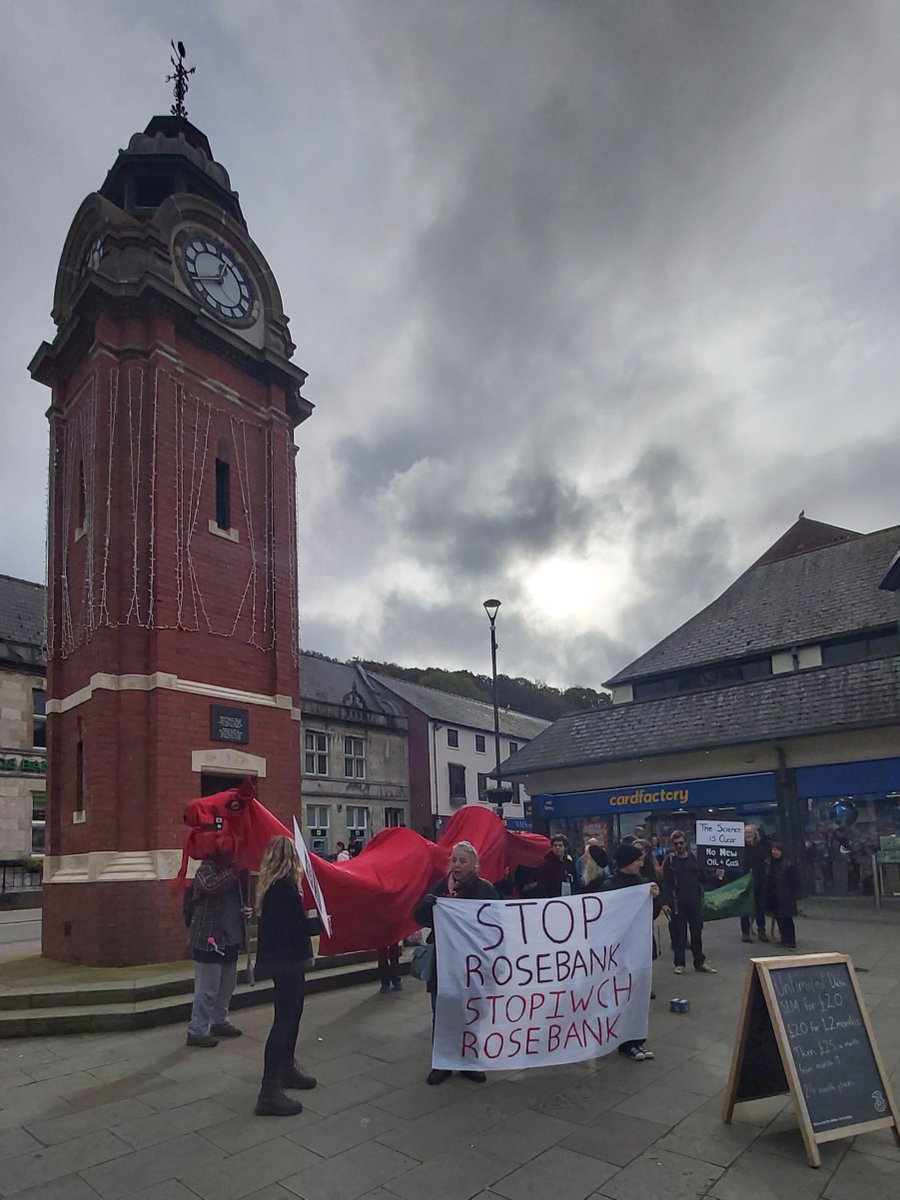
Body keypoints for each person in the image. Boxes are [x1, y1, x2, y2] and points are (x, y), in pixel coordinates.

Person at [413, 840, 498, 1085]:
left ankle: (470, 1062)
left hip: (472, 965)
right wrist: (426, 906)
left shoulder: (485, 889)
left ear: (474, 865)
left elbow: (495, 925)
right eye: (454, 860)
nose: (457, 865)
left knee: (470, 1014)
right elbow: (418, 917)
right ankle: (443, 1063)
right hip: (444, 963)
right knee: (442, 1014)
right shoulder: (440, 887)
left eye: (463, 861)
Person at [253, 836, 318, 1116]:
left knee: (291, 1014)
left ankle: (285, 1068)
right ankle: (269, 1090)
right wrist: (321, 924)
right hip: (287, 962)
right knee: (284, 1020)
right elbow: (295, 928)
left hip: (283, 962)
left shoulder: (275, 886)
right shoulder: (284, 889)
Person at [185, 839, 251, 1048]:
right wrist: (234, 871)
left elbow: (243, 900)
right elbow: (211, 887)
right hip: (209, 939)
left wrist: (248, 910)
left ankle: (219, 1021)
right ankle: (197, 1029)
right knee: (207, 988)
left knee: (226, 986)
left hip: (230, 937)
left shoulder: (236, 875)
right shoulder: (206, 870)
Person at [598, 844, 661, 1061]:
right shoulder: (610, 885)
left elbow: (652, 914)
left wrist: (656, 896)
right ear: (627, 862)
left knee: (639, 994)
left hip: (640, 948)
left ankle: (637, 1040)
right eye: (637, 860)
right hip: (621, 949)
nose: (641, 864)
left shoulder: (643, 884)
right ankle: (624, 1041)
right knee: (622, 994)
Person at [662, 830, 722, 975]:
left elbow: (703, 878)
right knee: (680, 934)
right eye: (676, 844)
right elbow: (665, 884)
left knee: (696, 932)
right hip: (677, 902)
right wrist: (665, 903)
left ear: (686, 843)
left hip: (694, 900)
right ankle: (679, 963)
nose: (679, 846)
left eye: (681, 843)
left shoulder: (695, 858)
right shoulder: (669, 861)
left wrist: (716, 875)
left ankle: (699, 962)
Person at [739, 824, 772, 943]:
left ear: (755, 834)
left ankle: (761, 931)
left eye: (750, 833)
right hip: (744, 882)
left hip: (759, 881)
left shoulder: (761, 848)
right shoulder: (741, 849)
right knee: (744, 908)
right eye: (746, 833)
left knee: (760, 908)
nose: (748, 835)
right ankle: (745, 932)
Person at [764, 843, 798, 949]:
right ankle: (784, 939)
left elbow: (794, 881)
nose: (775, 852)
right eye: (773, 849)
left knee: (787, 918)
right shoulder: (769, 863)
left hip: (785, 895)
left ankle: (791, 940)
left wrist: (792, 894)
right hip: (773, 894)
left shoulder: (788, 864)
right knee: (779, 918)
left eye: (777, 850)